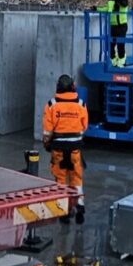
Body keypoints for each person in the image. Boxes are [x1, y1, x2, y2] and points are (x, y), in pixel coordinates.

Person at [42, 73, 89, 224]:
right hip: (75, 148)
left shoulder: (51, 105)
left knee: (60, 179)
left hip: (59, 149)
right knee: (76, 178)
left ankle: (63, 212)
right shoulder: (81, 104)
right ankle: (80, 207)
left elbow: (47, 131)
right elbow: (84, 126)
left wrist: (47, 144)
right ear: (72, 87)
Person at [97, 0, 131, 67]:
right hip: (112, 26)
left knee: (120, 45)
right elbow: (107, 8)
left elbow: (124, 4)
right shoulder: (111, 0)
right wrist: (96, 9)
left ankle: (122, 62)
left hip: (121, 26)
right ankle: (115, 62)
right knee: (110, 45)